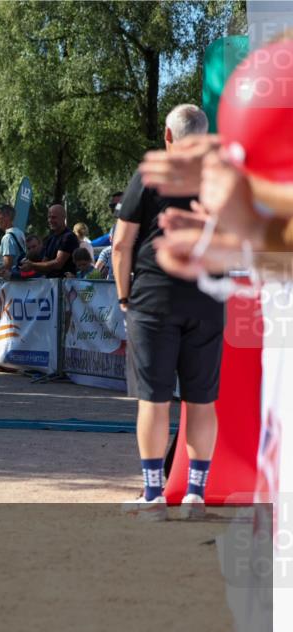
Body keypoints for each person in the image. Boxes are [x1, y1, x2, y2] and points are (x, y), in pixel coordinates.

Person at [115, 104, 222, 521]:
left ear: (168, 135)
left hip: (154, 300)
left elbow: (122, 244)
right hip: (208, 299)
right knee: (200, 400)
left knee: (153, 400)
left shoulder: (150, 173)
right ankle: (196, 494)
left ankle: (153, 495)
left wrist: (125, 298)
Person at [20, 204, 77, 277]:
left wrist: (32, 265)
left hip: (66, 285)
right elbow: (44, 264)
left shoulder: (68, 237)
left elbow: (58, 263)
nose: (50, 220)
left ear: (63, 218)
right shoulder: (51, 238)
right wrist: (27, 267)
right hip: (51, 285)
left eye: (53, 217)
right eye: (49, 217)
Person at [0, 204, 26, 280]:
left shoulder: (7, 237)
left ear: (7, 217)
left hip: (10, 284)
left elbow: (7, 266)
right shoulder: (20, 233)